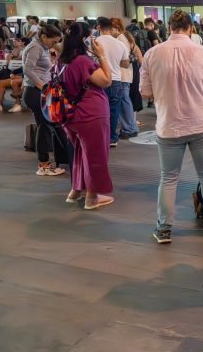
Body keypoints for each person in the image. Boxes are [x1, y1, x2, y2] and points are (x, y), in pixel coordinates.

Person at [140, 10, 203, 243]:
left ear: (169, 28)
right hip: (201, 123)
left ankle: (164, 229)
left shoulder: (152, 54)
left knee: (168, 178)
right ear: (190, 28)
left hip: (169, 125)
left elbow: (145, 92)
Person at [59, 23, 115, 210]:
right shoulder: (83, 61)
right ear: (85, 40)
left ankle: (76, 190)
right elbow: (106, 80)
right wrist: (101, 55)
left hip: (70, 116)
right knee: (96, 155)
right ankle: (92, 196)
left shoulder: (61, 61)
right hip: (91, 114)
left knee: (80, 153)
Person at [22, 23, 66, 176]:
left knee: (46, 126)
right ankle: (44, 165)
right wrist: (43, 87)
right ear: (44, 37)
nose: (55, 44)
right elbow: (27, 70)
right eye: (53, 41)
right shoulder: (35, 47)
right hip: (35, 92)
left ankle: (46, 162)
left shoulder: (42, 47)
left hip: (38, 91)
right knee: (45, 127)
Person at [96, 17, 130, 147]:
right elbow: (126, 64)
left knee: (99, 110)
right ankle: (112, 138)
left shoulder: (94, 42)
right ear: (111, 28)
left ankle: (101, 137)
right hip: (116, 80)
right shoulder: (120, 44)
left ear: (98, 27)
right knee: (114, 110)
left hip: (99, 80)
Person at [111, 18, 139, 139]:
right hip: (124, 74)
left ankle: (129, 128)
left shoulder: (120, 38)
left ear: (116, 28)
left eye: (111, 28)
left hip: (122, 74)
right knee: (125, 101)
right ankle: (130, 127)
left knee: (124, 101)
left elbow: (124, 58)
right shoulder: (123, 37)